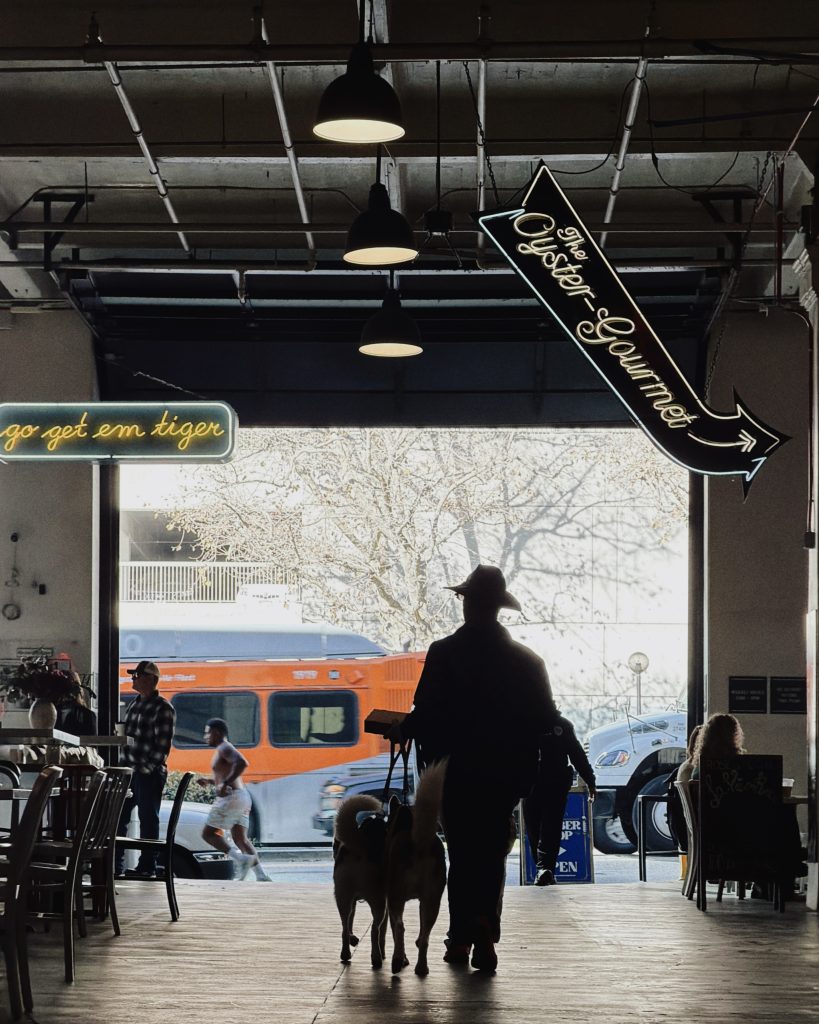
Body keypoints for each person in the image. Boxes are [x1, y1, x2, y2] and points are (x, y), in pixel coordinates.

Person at [395, 564, 557, 973]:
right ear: (499, 607)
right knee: (491, 853)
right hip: (506, 775)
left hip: (455, 773)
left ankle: (461, 937)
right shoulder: (527, 661)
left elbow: (426, 713)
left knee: (463, 853)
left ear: (468, 604)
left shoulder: (444, 653)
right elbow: (544, 718)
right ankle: (484, 927)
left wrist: (401, 728)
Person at [116, 660, 176, 879]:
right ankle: (117, 865)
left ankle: (147, 866)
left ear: (151, 679)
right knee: (119, 817)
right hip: (129, 770)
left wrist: (148, 768)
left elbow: (163, 745)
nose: (133, 679)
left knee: (148, 817)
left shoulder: (163, 707)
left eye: (138, 675)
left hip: (145, 772)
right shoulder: (135, 703)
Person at [523, 713, 596, 886]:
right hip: (531, 785)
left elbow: (577, 754)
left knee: (551, 827)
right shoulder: (524, 722)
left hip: (555, 785)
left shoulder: (562, 725)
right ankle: (542, 868)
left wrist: (590, 779)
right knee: (533, 828)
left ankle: (545, 868)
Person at [200, 718, 270, 882]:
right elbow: (227, 774)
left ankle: (241, 860)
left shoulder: (224, 747)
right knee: (240, 839)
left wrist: (224, 783)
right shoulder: (223, 749)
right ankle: (261, 875)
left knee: (208, 834)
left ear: (216, 732)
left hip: (232, 797)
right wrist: (211, 781)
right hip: (241, 796)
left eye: (207, 733)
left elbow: (242, 762)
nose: (205, 737)